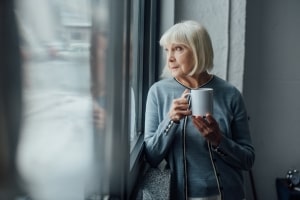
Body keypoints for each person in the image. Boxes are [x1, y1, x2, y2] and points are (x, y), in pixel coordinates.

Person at [144, 20, 255, 200]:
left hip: (227, 194)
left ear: (198, 51)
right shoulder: (158, 92)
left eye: (178, 49)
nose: (170, 57)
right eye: (167, 50)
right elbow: (151, 156)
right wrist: (170, 121)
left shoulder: (231, 94)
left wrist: (219, 140)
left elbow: (248, 160)